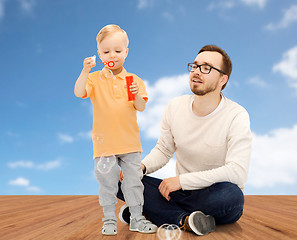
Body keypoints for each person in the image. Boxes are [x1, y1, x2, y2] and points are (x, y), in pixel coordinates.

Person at [117, 44, 252, 236]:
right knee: (118, 178)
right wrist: (142, 167)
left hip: (214, 194)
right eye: (195, 66)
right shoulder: (175, 106)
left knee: (231, 196)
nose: (197, 72)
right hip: (180, 193)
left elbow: (237, 172)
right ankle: (185, 220)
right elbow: (164, 150)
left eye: (206, 68)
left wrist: (181, 181)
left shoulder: (237, 115)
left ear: (223, 79)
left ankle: (151, 211)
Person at [74, 24, 157, 236]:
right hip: (105, 145)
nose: (113, 55)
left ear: (126, 52)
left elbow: (140, 106)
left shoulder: (133, 80)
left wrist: (137, 94)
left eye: (118, 51)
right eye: (106, 51)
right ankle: (109, 219)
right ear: (99, 54)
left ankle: (137, 218)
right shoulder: (94, 79)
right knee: (107, 185)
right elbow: (78, 92)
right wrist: (85, 70)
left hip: (130, 144)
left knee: (134, 184)